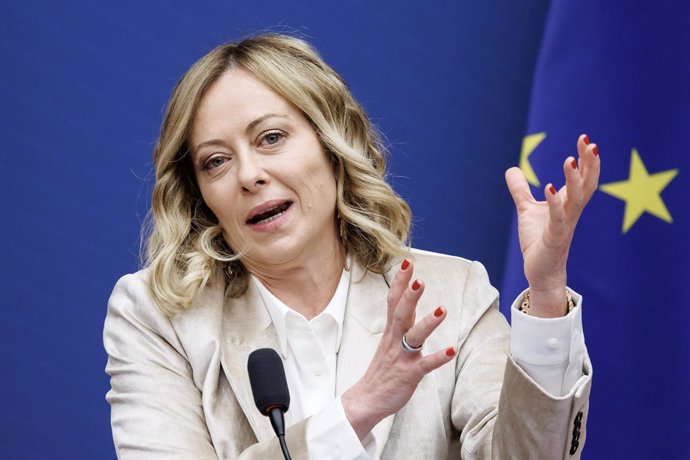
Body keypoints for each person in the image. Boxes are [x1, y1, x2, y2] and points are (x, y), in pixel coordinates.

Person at [103, 33, 599, 459]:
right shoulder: (158, 315)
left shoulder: (451, 293)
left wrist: (548, 294)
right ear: (199, 195)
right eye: (216, 162)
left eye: (271, 138)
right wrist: (358, 409)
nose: (250, 175)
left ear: (332, 145)